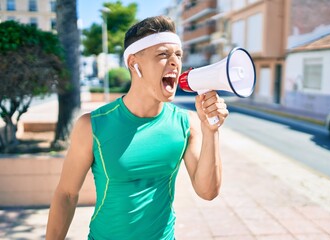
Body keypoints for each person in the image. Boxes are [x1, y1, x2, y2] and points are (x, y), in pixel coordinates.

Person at [46, 15, 229, 240]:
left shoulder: (186, 124)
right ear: (134, 63)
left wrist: (211, 130)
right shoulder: (93, 126)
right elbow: (66, 193)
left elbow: (207, 191)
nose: (175, 63)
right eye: (163, 54)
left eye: (178, 55)